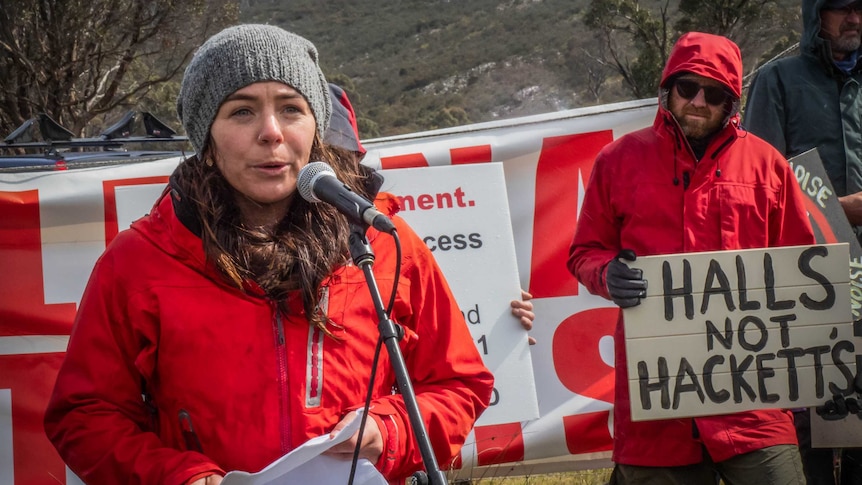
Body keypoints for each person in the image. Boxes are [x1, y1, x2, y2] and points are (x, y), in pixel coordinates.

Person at [43, 24, 494, 485]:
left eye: (291, 109)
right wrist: (178, 476)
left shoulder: (381, 242)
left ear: (316, 126)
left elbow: (460, 385)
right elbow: (83, 417)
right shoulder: (139, 261)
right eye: (241, 111)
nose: (271, 132)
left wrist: (389, 430)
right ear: (208, 141)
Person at [567, 32, 814, 484]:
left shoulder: (767, 165)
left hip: (754, 402)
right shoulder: (618, 160)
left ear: (732, 102)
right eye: (687, 88)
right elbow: (584, 251)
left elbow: (801, 264)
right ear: (668, 89)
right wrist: (608, 274)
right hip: (655, 409)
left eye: (714, 92)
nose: (699, 101)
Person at [744, 2, 862, 483]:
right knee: (812, 419)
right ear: (817, 15)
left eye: (860, 7)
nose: (853, 18)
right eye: (840, 8)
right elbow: (756, 185)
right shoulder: (777, 81)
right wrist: (843, 212)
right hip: (809, 279)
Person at [324, 82, 536, 344]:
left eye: (335, 155)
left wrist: (502, 329)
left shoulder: (392, 235)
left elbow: (449, 369)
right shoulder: (259, 250)